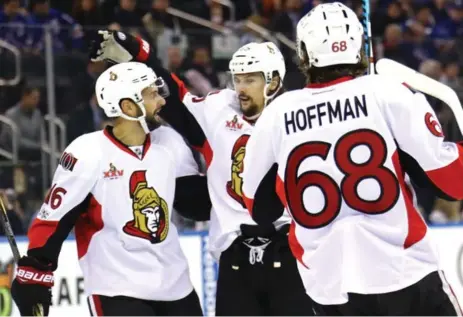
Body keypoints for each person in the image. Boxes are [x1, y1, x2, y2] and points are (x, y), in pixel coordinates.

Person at [241, 2, 463, 316]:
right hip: (406, 275)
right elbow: (453, 183)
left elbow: (260, 209)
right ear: (359, 47)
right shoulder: (388, 93)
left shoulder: (275, 115)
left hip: (331, 290)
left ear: (304, 53)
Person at [90, 30, 315, 315]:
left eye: (251, 79)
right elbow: (173, 100)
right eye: (238, 79)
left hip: (290, 253)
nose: (241, 88)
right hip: (236, 259)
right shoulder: (219, 111)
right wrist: (140, 53)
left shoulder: (296, 117)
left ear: (272, 81)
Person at [10, 61, 209, 316]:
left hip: (177, 288)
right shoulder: (87, 152)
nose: (161, 101)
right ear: (128, 106)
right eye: (152, 94)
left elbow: (195, 205)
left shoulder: (170, 143)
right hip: (116, 290)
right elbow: (54, 219)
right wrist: (36, 269)